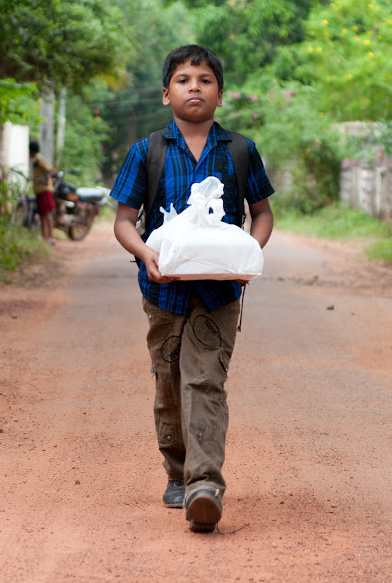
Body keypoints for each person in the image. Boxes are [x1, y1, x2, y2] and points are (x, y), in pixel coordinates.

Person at [111, 44, 274, 533]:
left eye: (205, 80)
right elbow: (123, 221)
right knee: (168, 386)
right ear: (166, 94)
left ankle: (205, 484)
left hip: (220, 293)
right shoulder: (147, 152)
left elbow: (261, 213)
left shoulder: (239, 150)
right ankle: (178, 472)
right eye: (184, 80)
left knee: (204, 381)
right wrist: (145, 255)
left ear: (220, 95)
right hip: (163, 293)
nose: (194, 87)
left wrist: (251, 255)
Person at [29, 140, 56, 245]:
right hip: (39, 191)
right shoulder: (35, 160)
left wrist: (46, 179)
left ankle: (51, 237)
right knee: (42, 214)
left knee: (47, 213)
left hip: (44, 190)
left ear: (31, 151)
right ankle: (44, 237)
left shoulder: (39, 159)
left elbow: (51, 170)